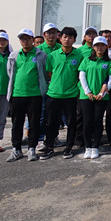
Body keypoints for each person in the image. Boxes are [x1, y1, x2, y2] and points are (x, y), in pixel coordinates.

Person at [5, 29, 48, 162]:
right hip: (17, 94)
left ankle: (32, 148)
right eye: (22, 39)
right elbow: (10, 72)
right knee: (16, 123)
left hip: (35, 95)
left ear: (32, 40)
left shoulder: (41, 55)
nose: (25, 41)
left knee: (34, 123)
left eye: (27, 38)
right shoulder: (14, 55)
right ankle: (16, 149)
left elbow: (44, 72)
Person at [42, 26, 81, 159]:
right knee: (51, 123)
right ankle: (49, 147)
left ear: (74, 40)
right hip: (53, 94)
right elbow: (49, 73)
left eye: (70, 37)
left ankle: (69, 147)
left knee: (71, 123)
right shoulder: (52, 55)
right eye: (65, 37)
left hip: (71, 95)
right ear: (60, 38)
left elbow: (79, 75)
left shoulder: (79, 56)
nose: (67, 40)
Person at [78, 36, 111, 159]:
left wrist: (102, 94)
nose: (100, 47)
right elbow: (82, 76)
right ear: (93, 47)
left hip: (101, 97)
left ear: (106, 47)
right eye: (97, 45)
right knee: (87, 121)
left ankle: (95, 146)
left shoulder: (109, 62)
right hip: (86, 96)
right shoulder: (86, 60)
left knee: (97, 121)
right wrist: (88, 92)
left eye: (102, 45)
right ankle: (88, 146)